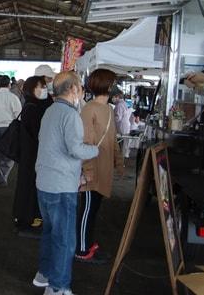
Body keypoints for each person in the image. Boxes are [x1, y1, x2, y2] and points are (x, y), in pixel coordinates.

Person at [32, 71, 99, 294]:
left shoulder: (50, 111)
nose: (81, 89)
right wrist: (97, 149)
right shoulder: (70, 115)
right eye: (79, 86)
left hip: (45, 181)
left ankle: (44, 274)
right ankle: (58, 286)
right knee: (65, 240)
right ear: (72, 89)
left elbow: (53, 147)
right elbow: (75, 149)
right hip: (61, 186)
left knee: (50, 233)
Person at [76, 69, 123, 264]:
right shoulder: (89, 109)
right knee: (87, 210)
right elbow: (85, 141)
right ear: (106, 85)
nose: (114, 86)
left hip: (103, 168)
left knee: (93, 209)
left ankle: (86, 243)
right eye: (112, 83)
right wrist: (87, 171)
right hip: (92, 169)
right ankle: (81, 249)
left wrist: (118, 163)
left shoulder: (109, 109)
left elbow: (112, 139)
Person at [13, 75, 52, 238]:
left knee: (33, 187)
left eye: (44, 86)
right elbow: (37, 133)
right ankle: (27, 221)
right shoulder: (32, 108)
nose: (44, 89)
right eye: (40, 86)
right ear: (31, 89)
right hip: (31, 157)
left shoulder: (40, 105)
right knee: (29, 187)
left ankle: (33, 218)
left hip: (35, 155)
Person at [0, 75, 22, 185]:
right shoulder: (13, 97)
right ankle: (4, 175)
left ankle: (0, 174)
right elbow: (18, 114)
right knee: (9, 153)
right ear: (9, 85)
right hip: (8, 128)